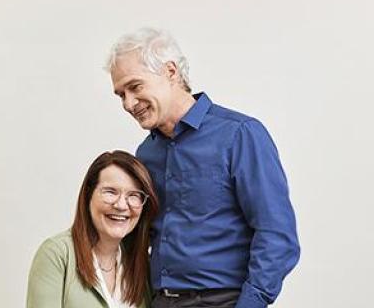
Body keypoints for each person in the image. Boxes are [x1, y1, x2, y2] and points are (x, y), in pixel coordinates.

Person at [105, 28, 301, 308]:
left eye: (135, 87)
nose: (128, 103)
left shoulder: (239, 135)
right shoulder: (146, 152)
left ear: (170, 72)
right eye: (120, 94)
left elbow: (277, 234)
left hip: (222, 301)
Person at [26, 150, 159, 308]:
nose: (121, 205)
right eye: (110, 192)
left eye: (133, 195)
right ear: (89, 195)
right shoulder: (56, 254)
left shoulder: (142, 266)